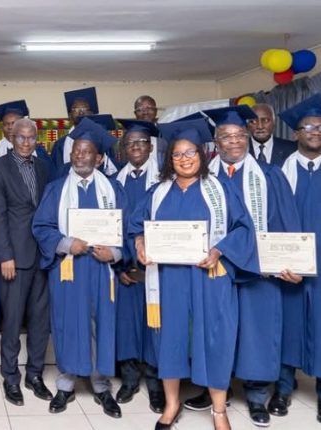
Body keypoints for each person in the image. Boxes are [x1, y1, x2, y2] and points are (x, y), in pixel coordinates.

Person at [129, 118, 260, 430]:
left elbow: (244, 228)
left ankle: (219, 410)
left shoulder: (220, 190)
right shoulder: (158, 192)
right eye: (177, 154)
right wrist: (140, 243)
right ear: (169, 160)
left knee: (216, 339)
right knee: (169, 340)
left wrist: (219, 250)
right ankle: (171, 404)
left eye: (190, 153)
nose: (184, 159)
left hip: (210, 279)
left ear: (201, 155)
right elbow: (135, 226)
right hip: (170, 280)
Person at [190, 105, 303, 427]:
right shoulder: (204, 177)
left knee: (258, 330)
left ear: (248, 137)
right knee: (216, 330)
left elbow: (287, 222)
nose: (235, 141)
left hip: (259, 269)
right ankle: (216, 390)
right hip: (218, 269)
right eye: (227, 137)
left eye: (240, 135)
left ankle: (256, 396)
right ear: (216, 142)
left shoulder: (269, 175)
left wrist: (293, 261)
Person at [32, 118, 125, 418]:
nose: (80, 156)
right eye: (76, 151)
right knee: (68, 323)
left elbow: (128, 230)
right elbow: (41, 227)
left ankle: (101, 386)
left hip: (101, 271)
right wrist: (65, 243)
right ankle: (66, 384)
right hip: (68, 269)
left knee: (102, 324)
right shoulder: (56, 189)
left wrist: (114, 252)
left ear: (98, 158)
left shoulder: (113, 189)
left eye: (87, 152)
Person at [0, 118, 52, 407]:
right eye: (21, 137)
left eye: (31, 138)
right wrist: (5, 256)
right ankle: (11, 377)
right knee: (12, 321)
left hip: (43, 256)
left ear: (37, 139)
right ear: (12, 138)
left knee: (40, 320)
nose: (26, 142)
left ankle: (34, 374)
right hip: (15, 256)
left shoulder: (43, 167)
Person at [112, 119, 165, 413]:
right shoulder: (114, 182)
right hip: (125, 270)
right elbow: (110, 229)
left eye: (141, 142)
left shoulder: (164, 181)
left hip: (155, 269)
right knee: (127, 326)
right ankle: (130, 380)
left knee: (155, 326)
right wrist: (121, 267)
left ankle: (156, 384)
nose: (135, 147)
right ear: (123, 149)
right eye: (130, 143)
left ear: (150, 147)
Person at [278, 93, 321, 422]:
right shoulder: (281, 172)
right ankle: (283, 389)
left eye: (320, 127)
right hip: (290, 266)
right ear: (296, 133)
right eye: (308, 127)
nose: (315, 132)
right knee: (288, 325)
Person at [50, 87, 118, 176]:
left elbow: (111, 170)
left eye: (85, 109)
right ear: (70, 115)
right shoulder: (60, 145)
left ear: (91, 114)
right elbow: (55, 172)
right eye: (76, 109)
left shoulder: (102, 141)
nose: (81, 113)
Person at [0, 100, 52, 172]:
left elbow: (49, 175)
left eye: (14, 123)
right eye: (6, 124)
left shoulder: (38, 151)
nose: (10, 127)